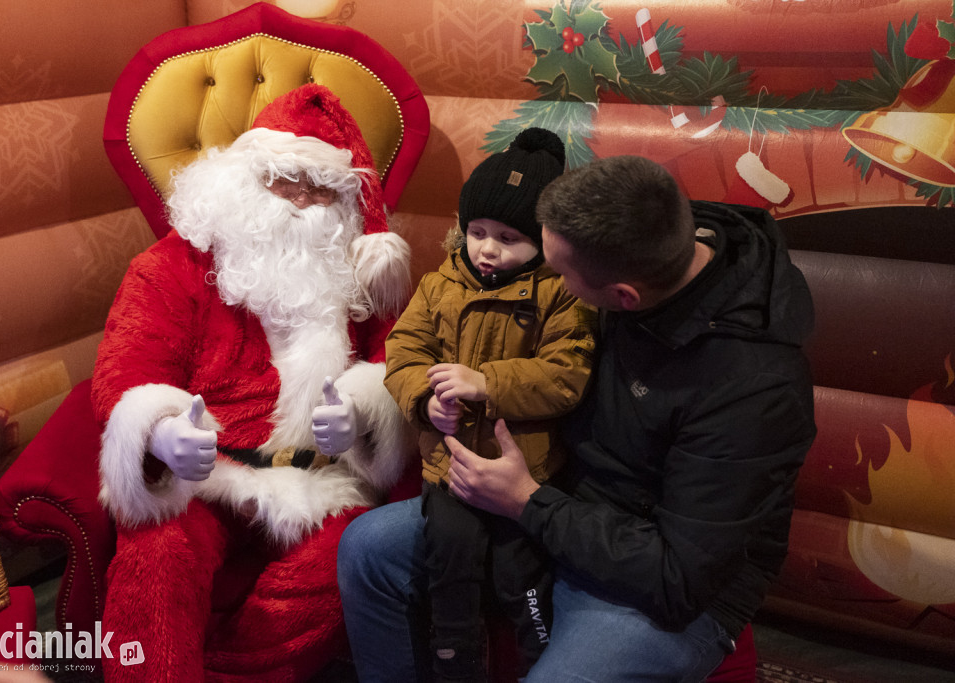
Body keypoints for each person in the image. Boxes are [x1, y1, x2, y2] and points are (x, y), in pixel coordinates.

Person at [338, 154, 817, 681]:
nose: (549, 283)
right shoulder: (638, 235)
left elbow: (676, 575)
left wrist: (526, 501)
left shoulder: (754, 390)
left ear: (621, 299)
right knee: (368, 549)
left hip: (659, 573)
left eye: (560, 274)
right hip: (557, 496)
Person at [91, 84, 414, 682]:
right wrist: (160, 433)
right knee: (158, 548)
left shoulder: (363, 279)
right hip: (207, 476)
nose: (301, 199)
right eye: (282, 179)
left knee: (355, 559)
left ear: (346, 202)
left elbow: (402, 363)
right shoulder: (169, 267)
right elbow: (127, 368)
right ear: (242, 179)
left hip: (324, 480)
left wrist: (367, 413)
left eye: (321, 187)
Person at [383, 128, 596, 681]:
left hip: (524, 471)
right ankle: (455, 664)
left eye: (508, 237)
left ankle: (542, 662)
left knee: (519, 574)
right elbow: (404, 352)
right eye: (477, 232)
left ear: (544, 240)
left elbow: (568, 375)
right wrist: (425, 400)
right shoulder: (440, 284)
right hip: (450, 468)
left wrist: (486, 382)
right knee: (449, 566)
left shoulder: (560, 292)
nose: (488, 249)